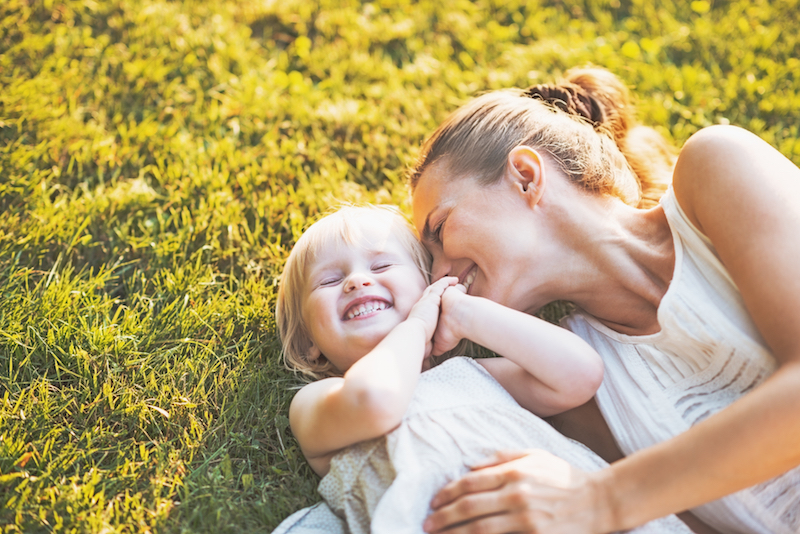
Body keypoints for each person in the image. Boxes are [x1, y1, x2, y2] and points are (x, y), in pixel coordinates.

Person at [409, 66, 800, 534]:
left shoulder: (718, 166)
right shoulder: (575, 389)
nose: (438, 273)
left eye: (440, 229)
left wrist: (603, 499)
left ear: (526, 176)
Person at [271, 205, 691, 533]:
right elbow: (377, 400)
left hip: (562, 511)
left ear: (426, 287)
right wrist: (418, 324)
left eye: (381, 267)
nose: (357, 282)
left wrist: (466, 313)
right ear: (312, 348)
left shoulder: (473, 375)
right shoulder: (319, 401)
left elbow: (580, 374)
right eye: (329, 281)